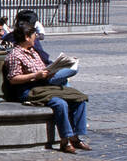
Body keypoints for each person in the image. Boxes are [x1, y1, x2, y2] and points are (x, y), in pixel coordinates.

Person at [5, 19, 90, 153]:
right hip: (29, 90)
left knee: (79, 98)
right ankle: (65, 140)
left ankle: (76, 136)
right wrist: (35, 76)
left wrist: (50, 72)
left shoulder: (33, 51)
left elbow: (42, 69)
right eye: (34, 36)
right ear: (27, 37)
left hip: (44, 86)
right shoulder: (15, 55)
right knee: (60, 103)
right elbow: (13, 79)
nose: (36, 38)